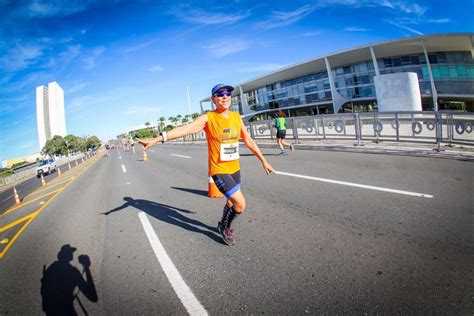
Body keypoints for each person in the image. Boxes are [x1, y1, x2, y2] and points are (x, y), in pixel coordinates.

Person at [138, 84, 275, 246]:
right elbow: (185, 129)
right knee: (240, 204)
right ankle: (224, 226)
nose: (225, 97)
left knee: (231, 202)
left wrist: (264, 160)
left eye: (228, 94)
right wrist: (155, 140)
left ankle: (222, 223)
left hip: (235, 169)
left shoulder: (236, 117)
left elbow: (248, 140)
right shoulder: (208, 117)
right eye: (220, 94)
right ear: (213, 99)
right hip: (219, 170)